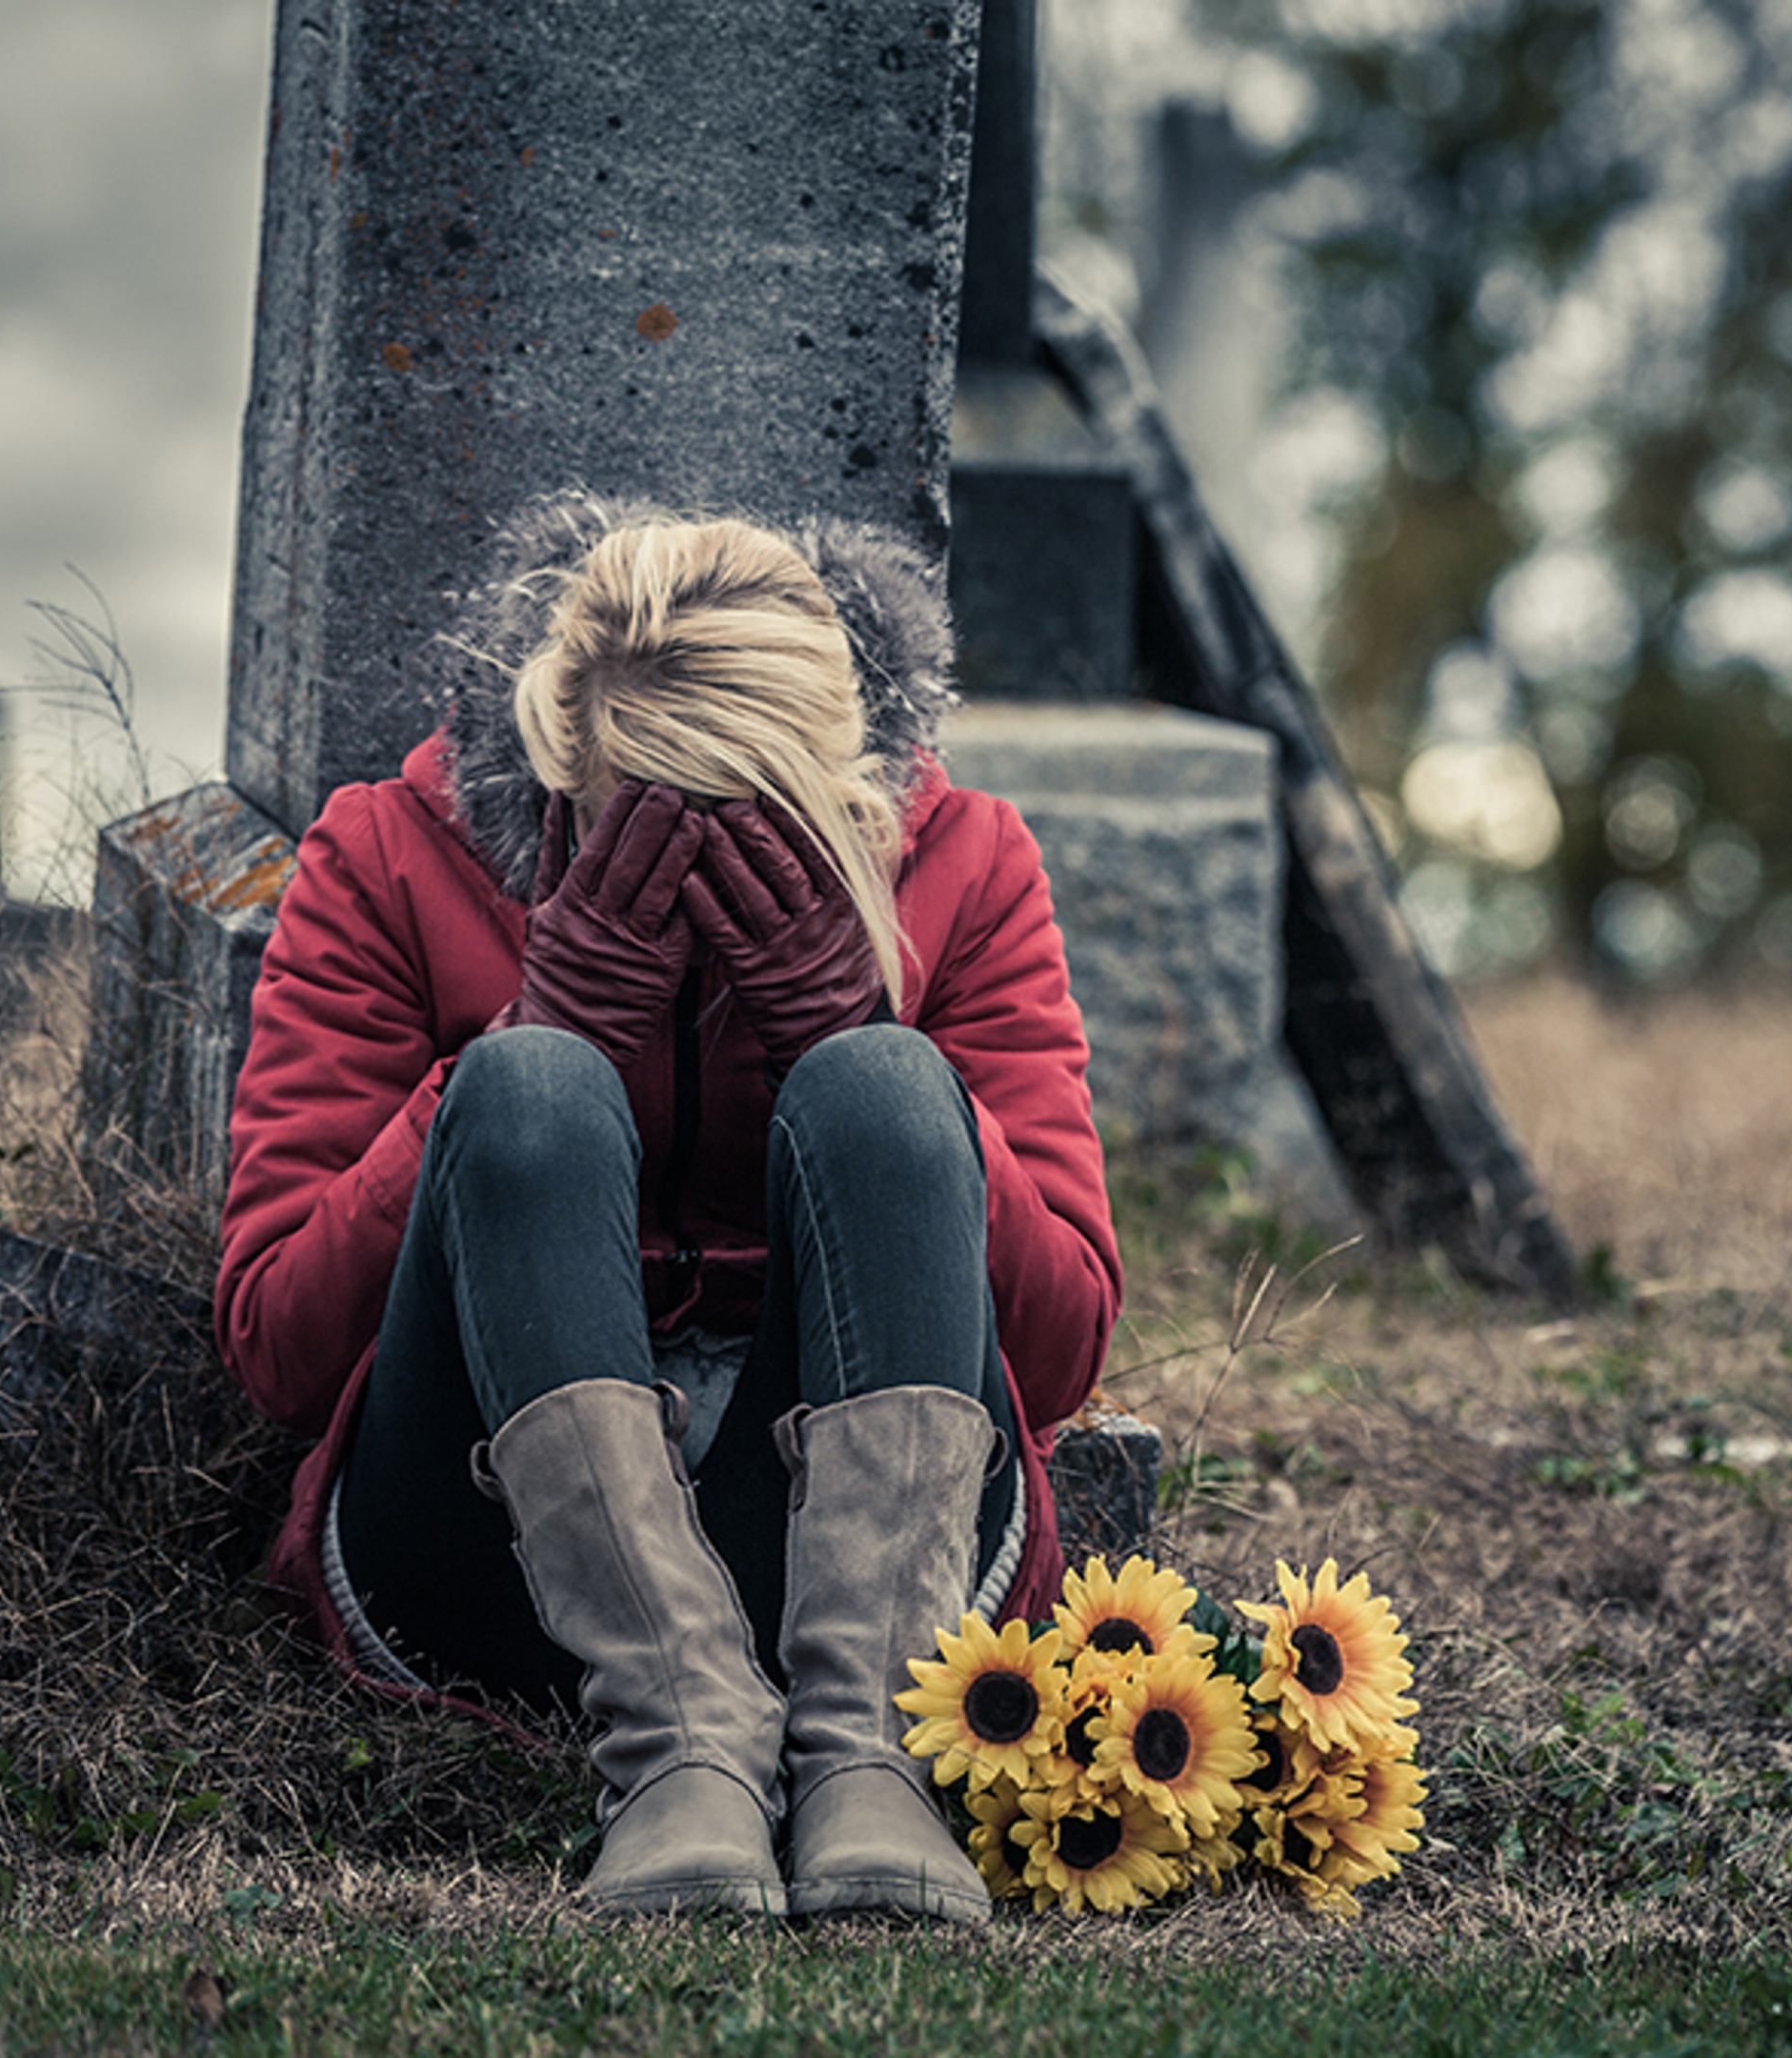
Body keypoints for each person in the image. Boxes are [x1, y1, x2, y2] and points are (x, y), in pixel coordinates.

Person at [215, 496, 1120, 1925]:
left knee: (888, 1083)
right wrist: (524, 1043)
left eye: (758, 825)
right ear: (558, 766)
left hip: (872, 1564)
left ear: (849, 783)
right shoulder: (387, 856)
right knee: (527, 1086)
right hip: (490, 1554)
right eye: (643, 815)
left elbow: (1062, 1356)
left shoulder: (971, 862)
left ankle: (869, 1760)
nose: (696, 875)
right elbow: (276, 1346)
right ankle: (676, 1750)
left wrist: (850, 1034)